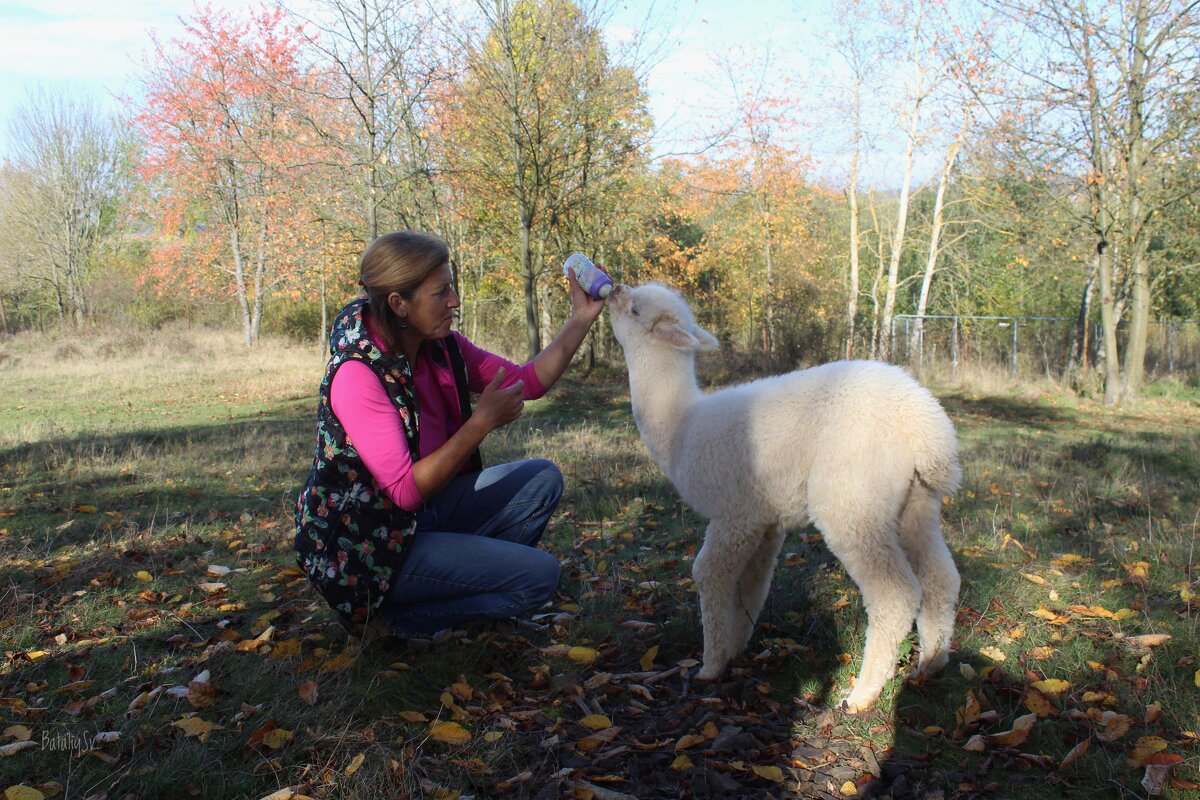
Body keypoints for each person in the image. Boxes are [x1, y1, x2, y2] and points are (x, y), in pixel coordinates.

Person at [294, 230, 606, 637]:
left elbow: (527, 382)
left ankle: (462, 595)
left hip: (422, 519)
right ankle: (393, 622)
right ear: (399, 304)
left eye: (451, 288)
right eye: (441, 293)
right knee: (539, 577)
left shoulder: (442, 347)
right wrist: (480, 424)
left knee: (541, 479)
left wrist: (581, 317)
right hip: (370, 549)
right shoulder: (358, 373)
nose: (455, 301)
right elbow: (404, 490)